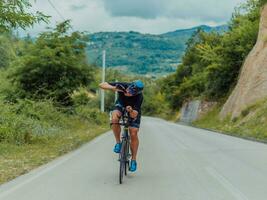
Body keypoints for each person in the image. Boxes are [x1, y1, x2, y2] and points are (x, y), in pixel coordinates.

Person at [99, 80, 144, 172]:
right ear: (129, 86)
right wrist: (115, 88)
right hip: (121, 105)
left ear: (137, 93)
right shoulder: (123, 85)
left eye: (132, 93)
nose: (129, 93)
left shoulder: (139, 97)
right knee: (114, 118)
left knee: (133, 132)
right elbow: (101, 85)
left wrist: (130, 110)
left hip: (133, 110)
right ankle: (118, 143)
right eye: (129, 90)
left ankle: (134, 160)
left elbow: (134, 115)